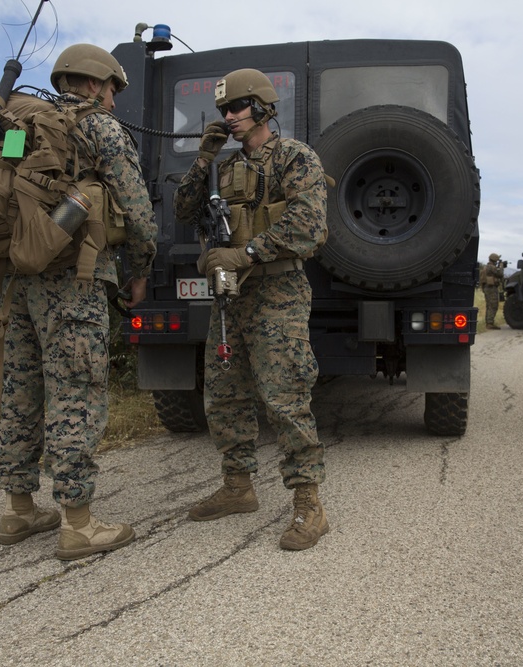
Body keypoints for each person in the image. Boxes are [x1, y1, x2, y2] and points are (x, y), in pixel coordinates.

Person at [0, 44, 157, 560]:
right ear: (92, 84)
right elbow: (138, 212)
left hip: (18, 281)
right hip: (74, 280)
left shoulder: (22, 127)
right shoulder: (100, 129)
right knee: (76, 393)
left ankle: (20, 510)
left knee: (20, 389)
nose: (113, 101)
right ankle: (78, 524)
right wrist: (140, 272)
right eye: (111, 90)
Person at [172, 68, 330, 550]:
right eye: (223, 110)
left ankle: (309, 502)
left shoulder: (294, 157)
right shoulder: (222, 168)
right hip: (230, 299)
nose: (229, 117)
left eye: (237, 108)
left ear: (262, 107)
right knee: (224, 395)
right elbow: (182, 209)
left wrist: (246, 254)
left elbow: (310, 227)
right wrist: (203, 156)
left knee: (284, 396)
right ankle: (237, 487)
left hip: (276, 293)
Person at [482, 253, 505, 329]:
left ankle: (489, 322)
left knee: (489, 305)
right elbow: (500, 274)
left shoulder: (486, 267)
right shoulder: (491, 267)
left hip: (487, 288)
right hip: (491, 288)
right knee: (493, 305)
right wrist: (501, 266)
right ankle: (490, 323)